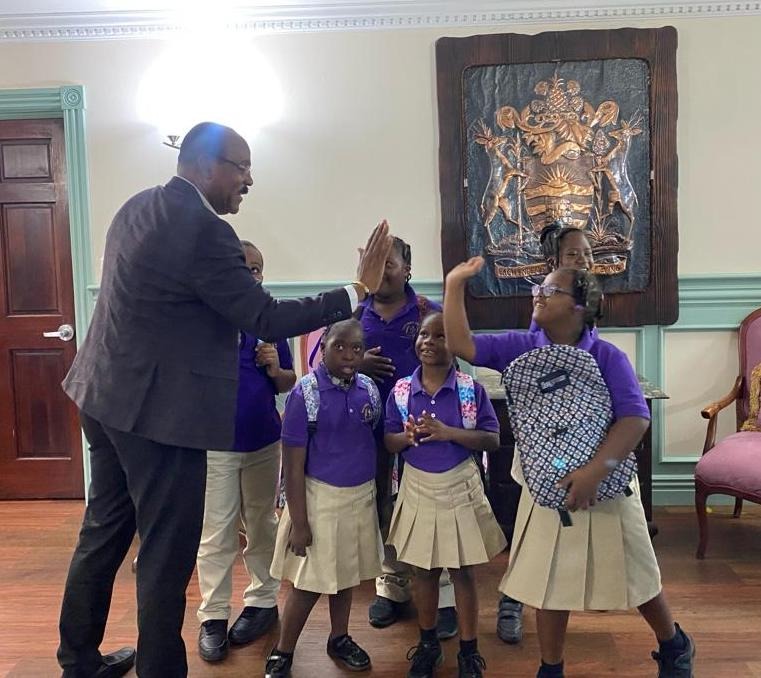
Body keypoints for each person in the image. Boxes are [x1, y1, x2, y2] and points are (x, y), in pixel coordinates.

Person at [56, 121, 392, 678]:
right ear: (204, 165)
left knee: (104, 531)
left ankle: (78, 662)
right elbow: (264, 316)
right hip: (157, 415)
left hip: (102, 394)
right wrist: (356, 291)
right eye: (241, 167)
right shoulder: (204, 230)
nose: (249, 180)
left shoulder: (137, 206)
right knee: (166, 551)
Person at [443, 260, 696, 678]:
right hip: (550, 486)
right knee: (551, 580)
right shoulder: (522, 347)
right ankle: (551, 667)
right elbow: (461, 344)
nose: (538, 295)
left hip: (608, 486)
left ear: (579, 306)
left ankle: (674, 644)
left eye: (550, 290)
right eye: (538, 288)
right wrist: (455, 285)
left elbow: (635, 419)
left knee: (637, 574)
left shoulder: (607, 356)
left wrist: (597, 470)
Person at [385, 312, 506, 678]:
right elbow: (389, 441)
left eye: (440, 336)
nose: (429, 341)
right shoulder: (402, 391)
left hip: (459, 485)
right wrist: (406, 437)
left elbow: (492, 439)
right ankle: (427, 645)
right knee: (423, 570)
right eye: (424, 334)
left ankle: (469, 650)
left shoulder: (470, 389)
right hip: (417, 485)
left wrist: (449, 432)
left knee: (463, 571)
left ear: (455, 345)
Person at [496, 220, 596, 645]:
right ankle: (511, 600)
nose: (584, 260)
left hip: (573, 445)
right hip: (544, 448)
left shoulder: (586, 305)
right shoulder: (548, 306)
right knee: (529, 529)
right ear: (554, 262)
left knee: (557, 533)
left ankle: (555, 596)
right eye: (574, 254)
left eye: (588, 254)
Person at [195, 241, 296, 663]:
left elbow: (289, 382)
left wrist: (274, 368)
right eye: (244, 267)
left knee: (262, 523)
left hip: (263, 439)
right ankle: (213, 615)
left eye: (258, 269)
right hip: (216, 442)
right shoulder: (205, 317)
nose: (252, 275)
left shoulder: (268, 319)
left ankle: (262, 601)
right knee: (216, 530)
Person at [265, 319, 383, 678]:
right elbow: (293, 466)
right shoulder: (306, 394)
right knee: (309, 582)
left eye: (356, 348)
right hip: (320, 501)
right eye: (339, 346)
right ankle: (283, 650)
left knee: (345, 575)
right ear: (323, 347)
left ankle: (339, 637)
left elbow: (373, 443)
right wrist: (300, 523)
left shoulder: (368, 389)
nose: (348, 355)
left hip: (360, 497)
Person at [358, 237, 457, 637]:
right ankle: (392, 585)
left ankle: (444, 593)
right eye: (373, 262)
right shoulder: (354, 310)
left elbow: (453, 364)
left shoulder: (428, 312)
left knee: (433, 508)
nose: (381, 271)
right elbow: (323, 359)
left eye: (389, 263)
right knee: (383, 506)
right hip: (369, 433)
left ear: (407, 270)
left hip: (424, 431)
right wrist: (358, 363)